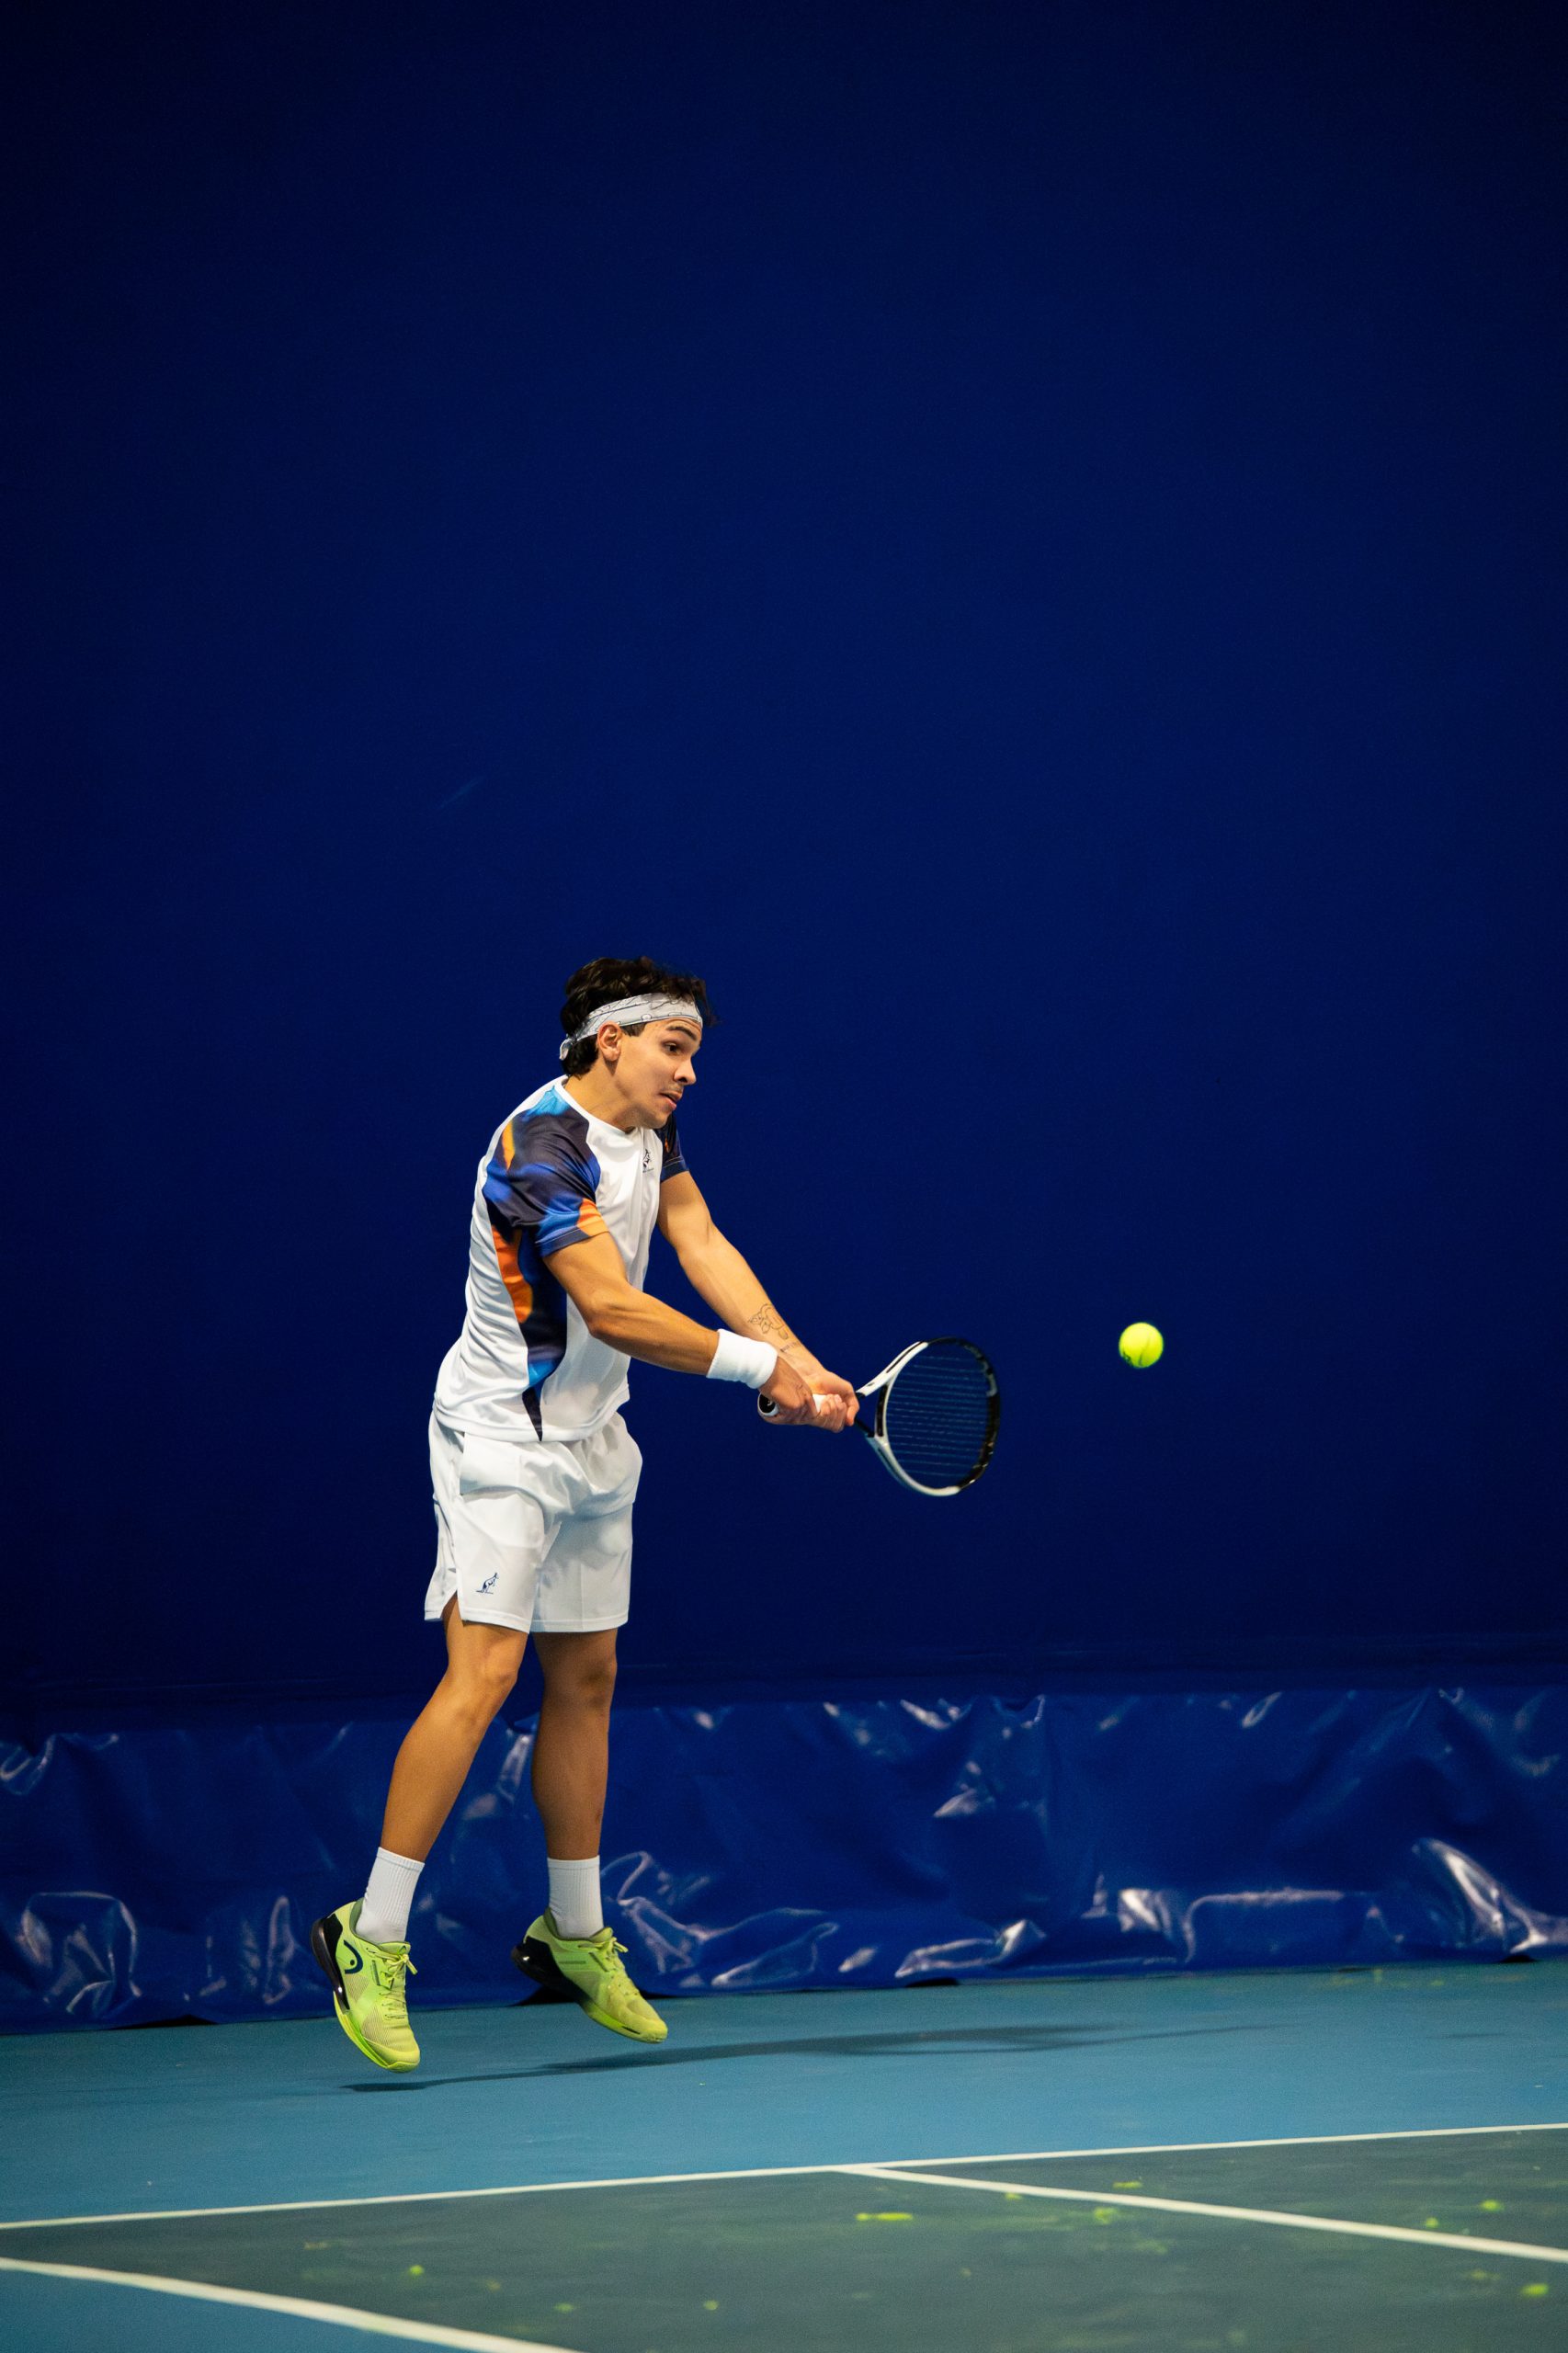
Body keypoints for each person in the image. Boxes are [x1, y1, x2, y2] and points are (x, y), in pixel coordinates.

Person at [311, 955, 857, 2070]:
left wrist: (800, 1362)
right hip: (500, 1437)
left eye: (692, 1052)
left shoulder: (649, 1133)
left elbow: (700, 1243)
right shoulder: (538, 1147)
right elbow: (609, 1307)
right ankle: (370, 1934)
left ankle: (571, 1930)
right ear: (610, 1039)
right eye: (673, 1048)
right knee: (484, 1674)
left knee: (588, 1676)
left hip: (596, 1438)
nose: (689, 1072)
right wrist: (758, 1369)